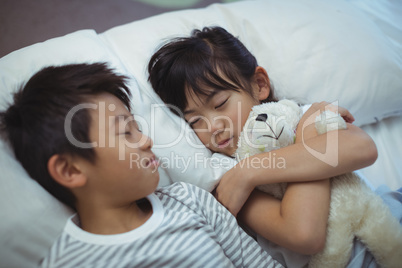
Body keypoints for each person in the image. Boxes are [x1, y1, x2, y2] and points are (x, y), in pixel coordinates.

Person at [0, 63, 284, 268]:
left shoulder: (189, 200)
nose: (146, 140)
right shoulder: (68, 262)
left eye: (137, 128)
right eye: (125, 133)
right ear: (70, 170)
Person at [148, 26, 383, 267]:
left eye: (220, 103)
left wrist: (252, 170)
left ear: (259, 84)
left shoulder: (298, 118)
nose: (214, 126)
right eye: (195, 121)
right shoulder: (227, 176)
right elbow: (304, 234)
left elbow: (363, 147)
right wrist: (307, 138)